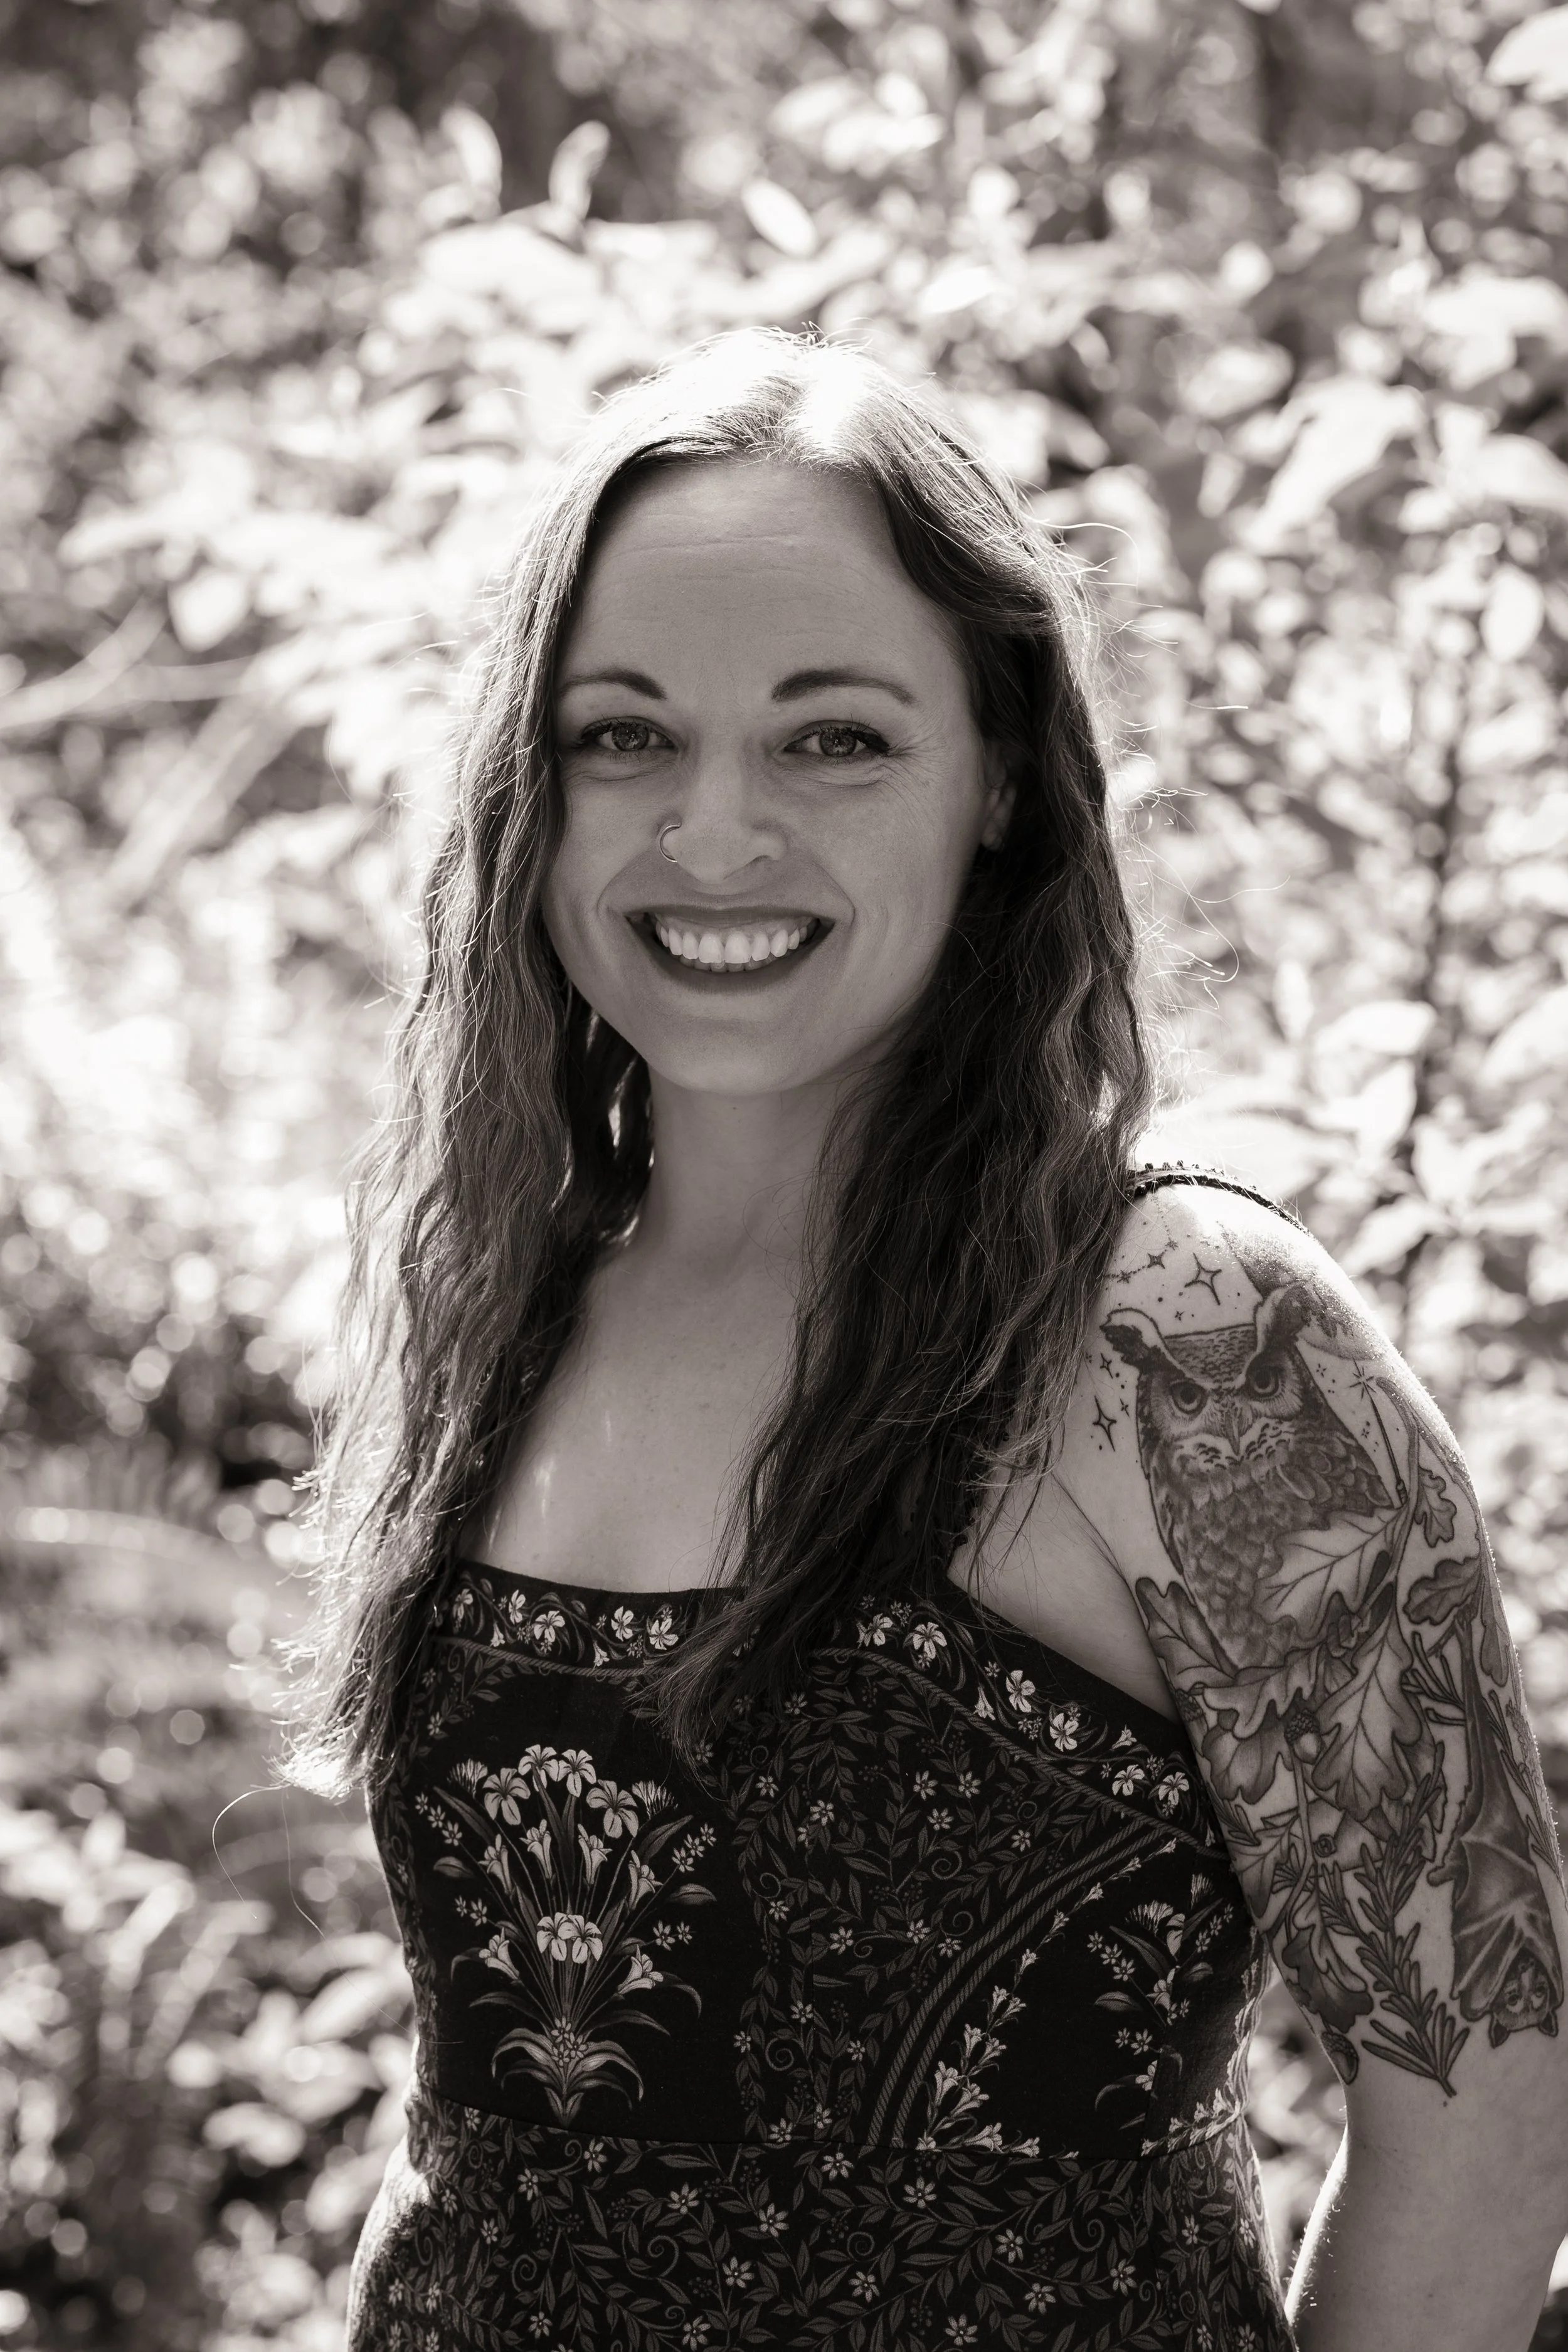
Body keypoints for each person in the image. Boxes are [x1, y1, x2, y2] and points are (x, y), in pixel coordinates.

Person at [293, 332, 1568, 2351]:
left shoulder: (1180, 1338)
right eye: (621, 736)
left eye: (833, 741)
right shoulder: (503, 1290)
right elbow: (497, 2118)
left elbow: (1486, 2108)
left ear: (997, 779)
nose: (711, 835)